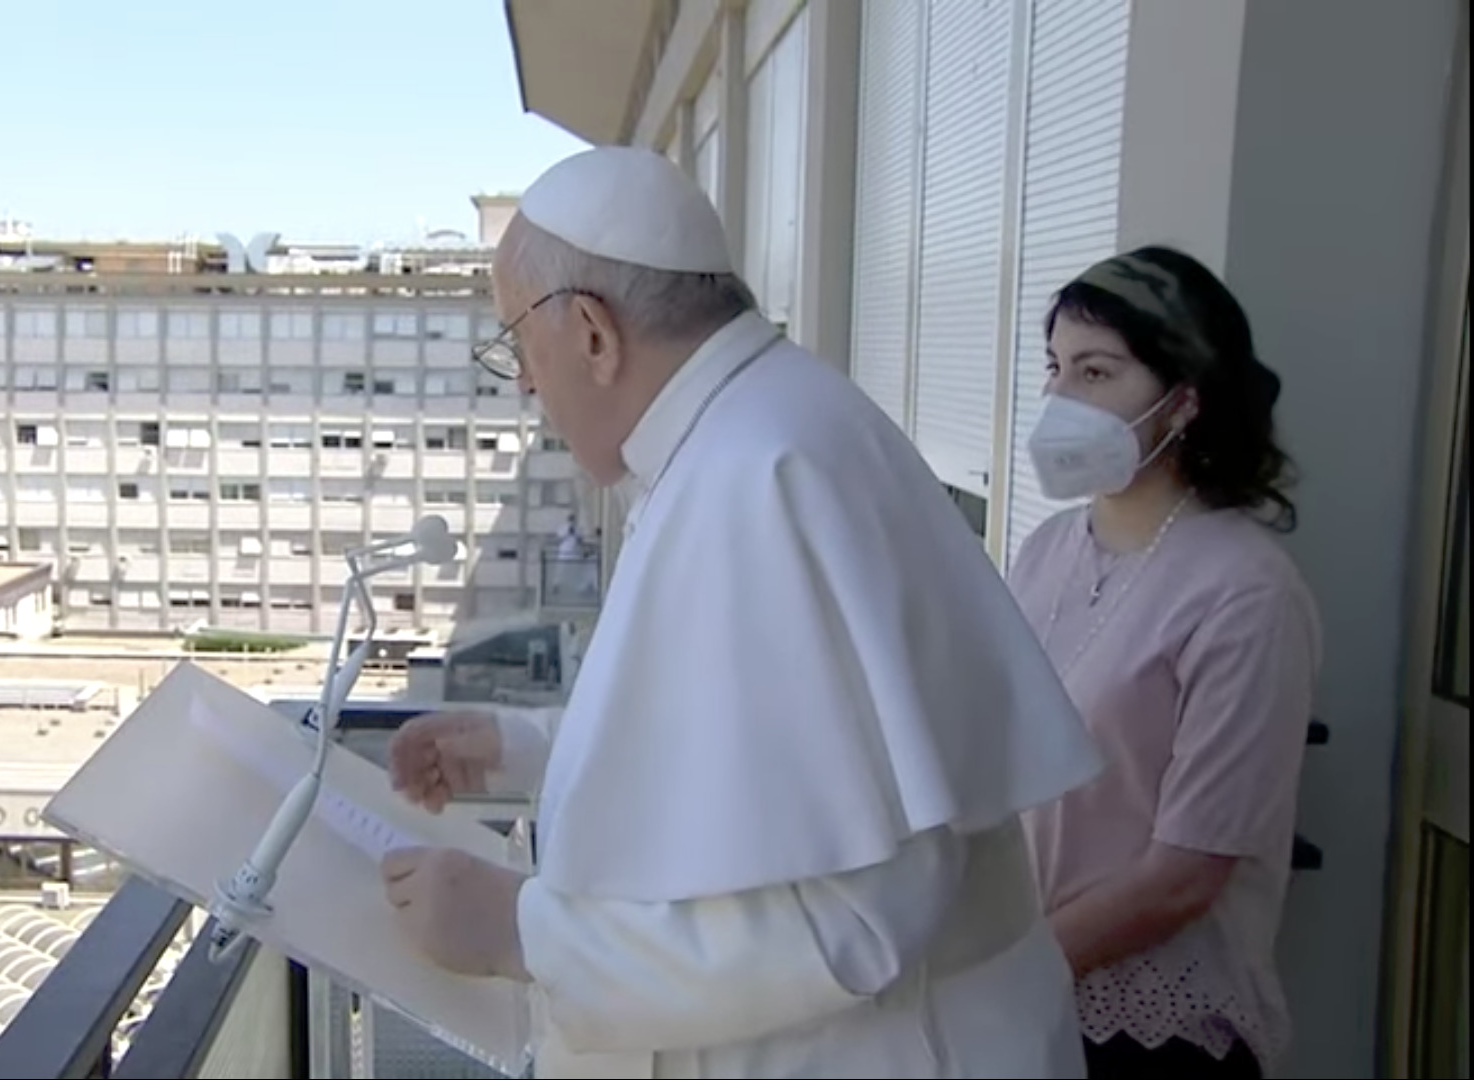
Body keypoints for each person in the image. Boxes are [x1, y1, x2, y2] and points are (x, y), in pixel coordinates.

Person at [375, 145, 1105, 1078]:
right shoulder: (757, 430)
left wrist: (523, 933)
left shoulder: (757, 474)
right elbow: (769, 749)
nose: (523, 382)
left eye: (517, 344)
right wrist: (527, 747)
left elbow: (854, 918)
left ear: (592, 334)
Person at [1009, 247, 1322, 1079]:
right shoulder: (1047, 551)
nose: (1058, 397)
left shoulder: (1245, 591)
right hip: (1026, 1003)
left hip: (1148, 1036)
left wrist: (1010, 975)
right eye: (1055, 367)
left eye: (1096, 372)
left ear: (1184, 400)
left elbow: (1186, 874)